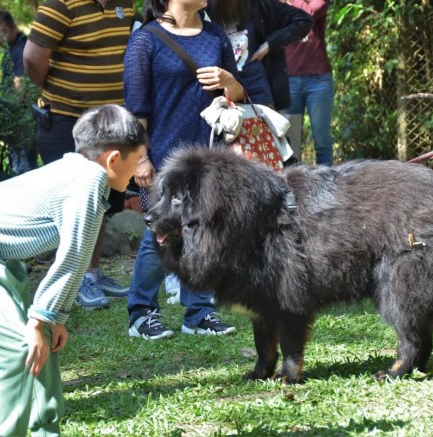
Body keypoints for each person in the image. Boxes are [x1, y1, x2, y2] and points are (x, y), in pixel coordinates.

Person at [0, 104, 149, 436]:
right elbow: (72, 259)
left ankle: (45, 429)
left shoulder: (79, 170)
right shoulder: (88, 182)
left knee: (40, 337)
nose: (138, 170)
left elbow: (70, 261)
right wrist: (44, 316)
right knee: (19, 349)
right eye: (137, 160)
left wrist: (51, 319)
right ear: (113, 159)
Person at [123, 0, 244, 340]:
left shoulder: (215, 35)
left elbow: (238, 93)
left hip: (209, 154)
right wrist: (141, 158)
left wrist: (228, 80)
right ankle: (142, 312)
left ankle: (199, 313)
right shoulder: (145, 40)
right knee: (160, 234)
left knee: (203, 230)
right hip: (164, 155)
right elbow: (136, 107)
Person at [24, 0, 136, 308]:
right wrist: (61, 90)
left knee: (101, 201)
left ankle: (92, 273)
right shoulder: (60, 5)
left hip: (110, 121)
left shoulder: (126, 5)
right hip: (64, 120)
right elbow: (33, 59)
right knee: (75, 202)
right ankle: (72, 280)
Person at [206, 0, 312, 109]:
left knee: (264, 125)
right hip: (221, 95)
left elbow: (303, 20)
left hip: (258, 91)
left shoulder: (260, 5)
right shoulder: (203, 10)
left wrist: (270, 44)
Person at [283, 0, 334, 165]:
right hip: (289, 79)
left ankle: (328, 187)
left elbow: (308, 15)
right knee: (291, 140)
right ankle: (291, 186)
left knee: (322, 140)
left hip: (319, 80)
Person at [0, 10, 37, 175]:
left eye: (2, 33)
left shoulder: (21, 48)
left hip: (23, 118)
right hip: (18, 118)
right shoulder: (11, 48)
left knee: (22, 168)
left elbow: (20, 85)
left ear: (14, 28)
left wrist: (12, 113)